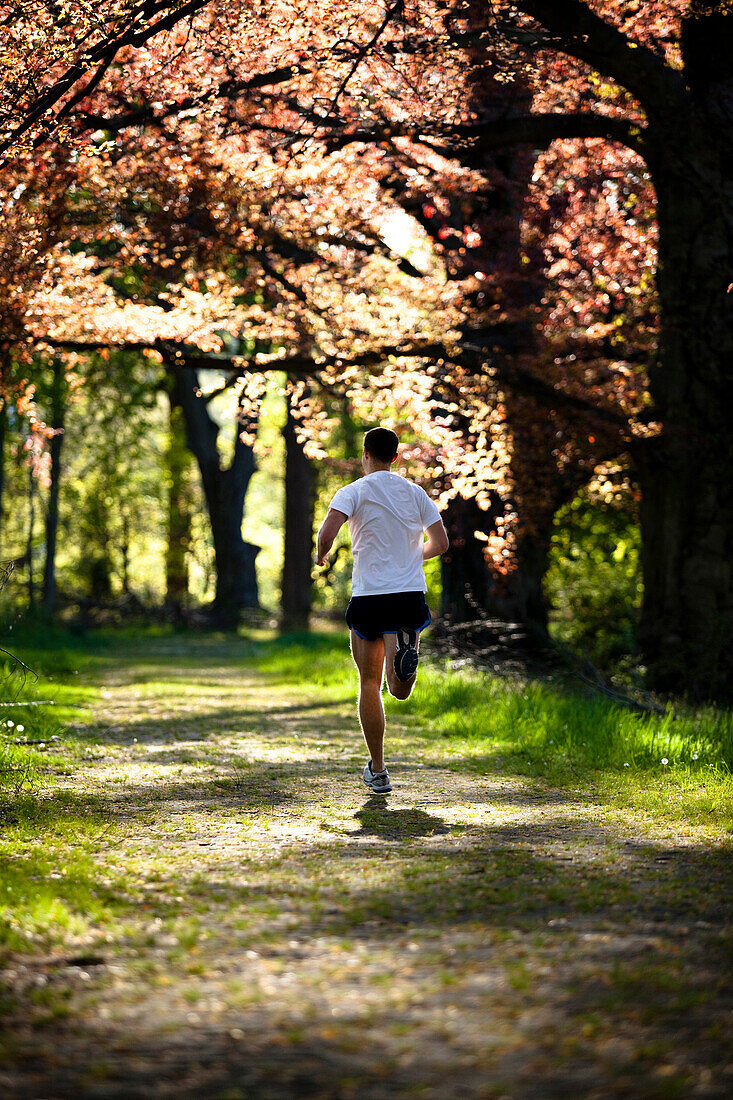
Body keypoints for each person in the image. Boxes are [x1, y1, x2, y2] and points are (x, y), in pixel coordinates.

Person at [315, 427, 449, 794]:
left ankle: (378, 769)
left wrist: (321, 554)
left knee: (370, 683)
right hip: (407, 594)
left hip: (370, 596)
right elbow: (441, 543)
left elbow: (327, 534)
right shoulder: (416, 493)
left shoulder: (352, 492)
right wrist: (411, 556)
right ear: (394, 456)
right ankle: (404, 655)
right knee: (399, 689)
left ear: (365, 454)